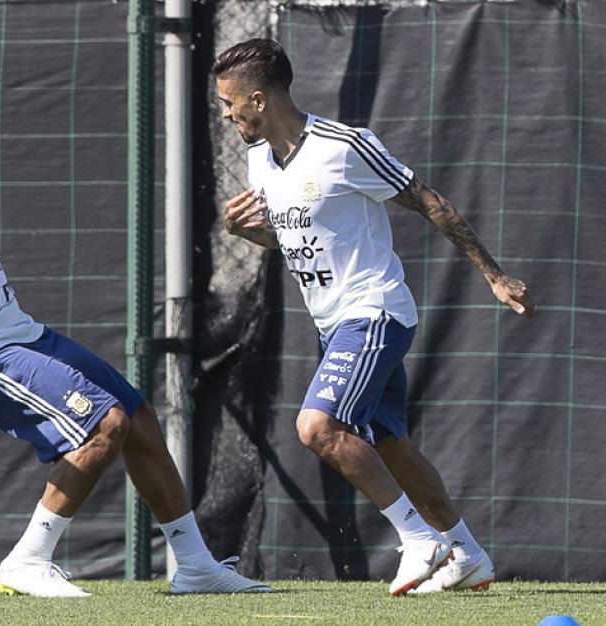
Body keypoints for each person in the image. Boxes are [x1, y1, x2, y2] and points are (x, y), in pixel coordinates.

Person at [0, 63, 273, 598]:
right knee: (103, 426)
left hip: (21, 331)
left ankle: (195, 565)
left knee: (137, 415)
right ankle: (27, 560)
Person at [213, 38, 535, 595]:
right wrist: (247, 233)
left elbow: (432, 202)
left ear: (259, 99)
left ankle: (418, 540)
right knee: (390, 445)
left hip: (375, 310)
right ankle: (467, 553)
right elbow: (289, 238)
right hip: (333, 324)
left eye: (229, 103)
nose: (225, 113)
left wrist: (494, 275)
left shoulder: (345, 146)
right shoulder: (259, 158)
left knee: (317, 427)